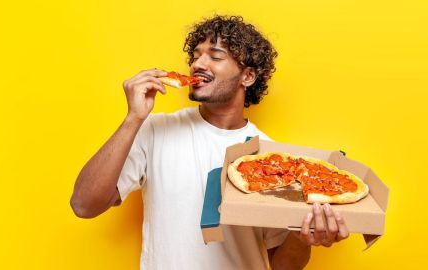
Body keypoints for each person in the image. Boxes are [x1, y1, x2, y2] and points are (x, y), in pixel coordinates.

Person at [70, 15, 349, 270]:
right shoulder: (156, 130)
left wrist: (305, 238)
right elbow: (84, 206)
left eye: (215, 56)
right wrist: (133, 118)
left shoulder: (271, 160)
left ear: (248, 76)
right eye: (196, 55)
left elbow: (282, 266)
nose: (197, 64)